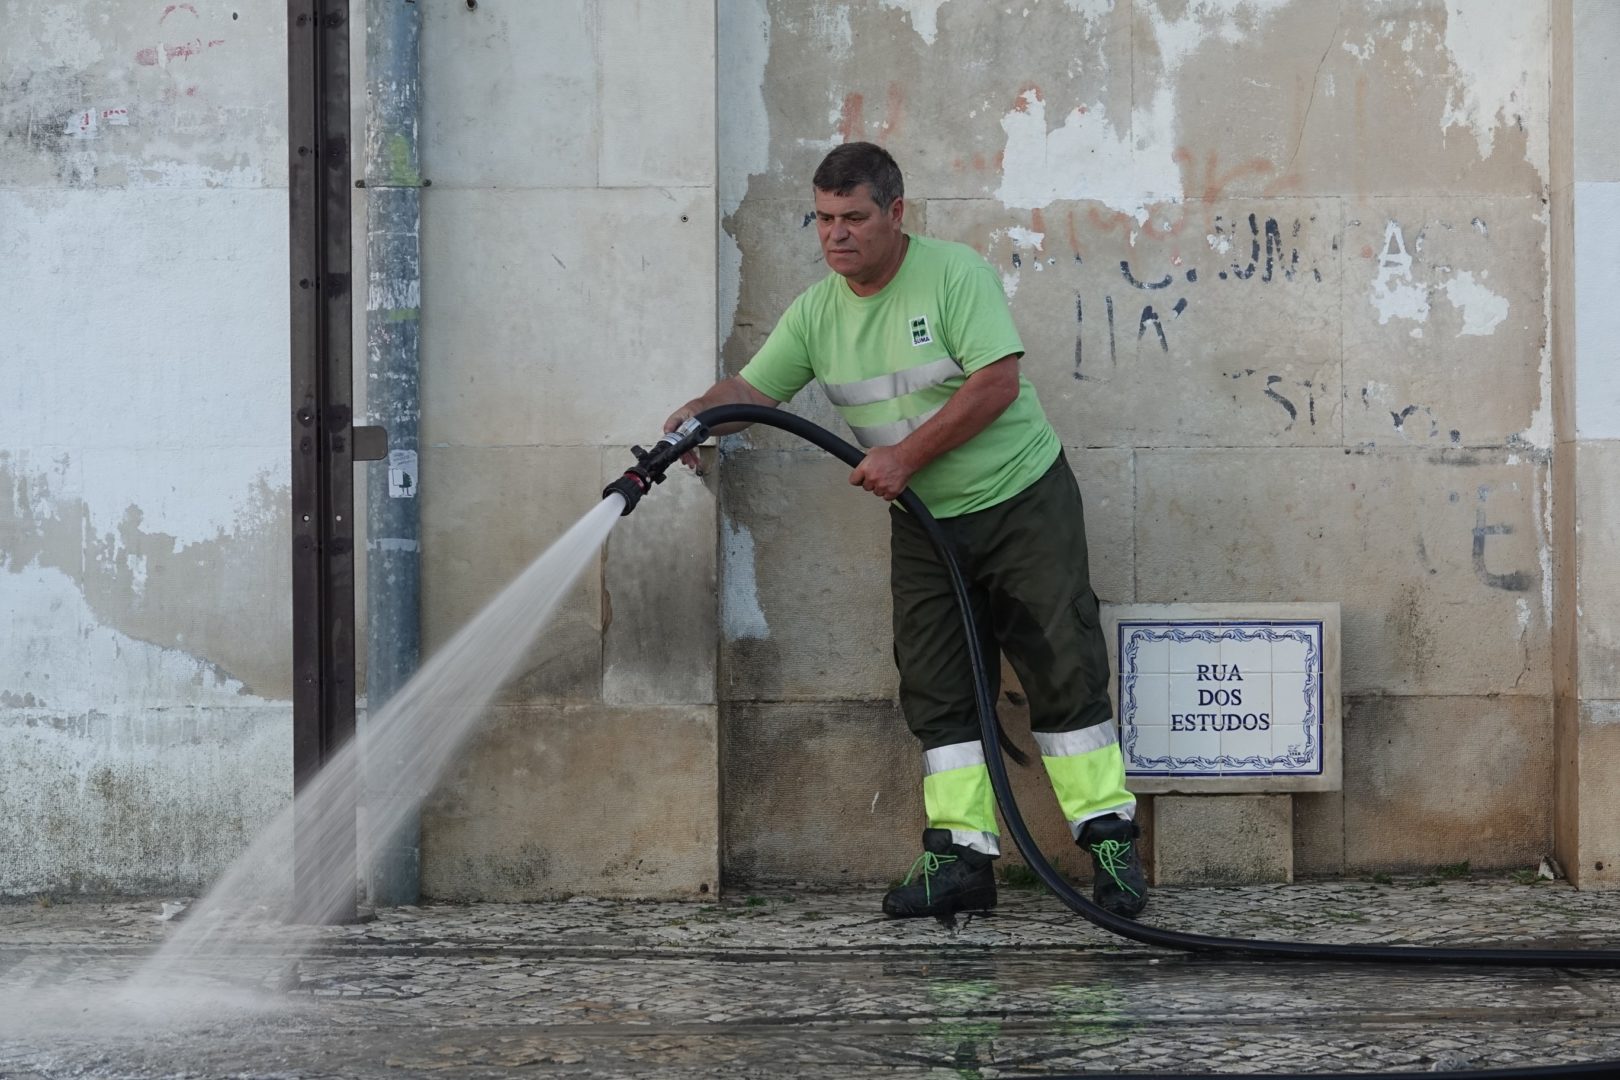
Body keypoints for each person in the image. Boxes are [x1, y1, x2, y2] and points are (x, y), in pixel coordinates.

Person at [664, 142, 1146, 920]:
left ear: (895, 212)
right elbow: (751, 389)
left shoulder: (954, 275)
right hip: (926, 524)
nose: (836, 234)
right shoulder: (818, 312)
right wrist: (695, 419)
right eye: (824, 218)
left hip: (1022, 501)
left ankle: (1111, 845)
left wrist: (904, 457)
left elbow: (996, 382)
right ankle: (961, 858)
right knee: (936, 685)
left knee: (1064, 665)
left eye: (854, 217)